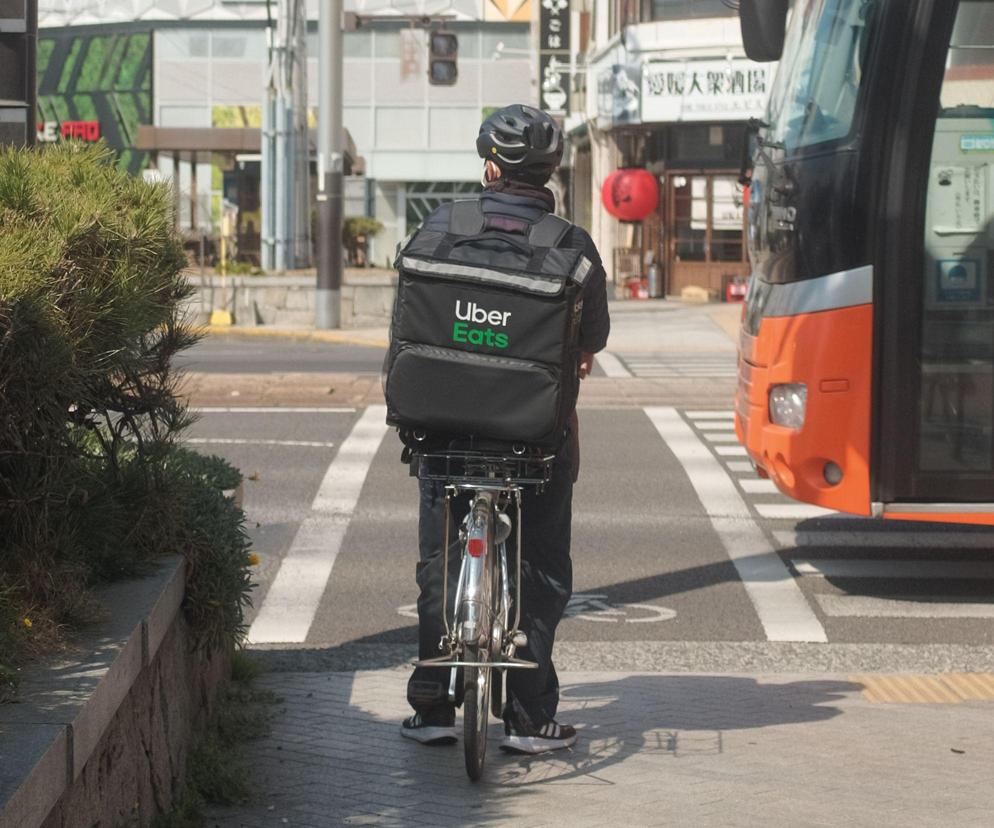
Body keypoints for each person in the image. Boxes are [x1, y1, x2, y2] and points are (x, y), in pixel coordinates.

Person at [400, 104, 610, 754]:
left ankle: (433, 704)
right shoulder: (569, 244)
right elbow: (594, 339)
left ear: (489, 166)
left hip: (441, 430)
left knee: (440, 559)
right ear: (549, 172)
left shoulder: (438, 227)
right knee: (542, 567)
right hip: (535, 439)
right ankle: (528, 715)